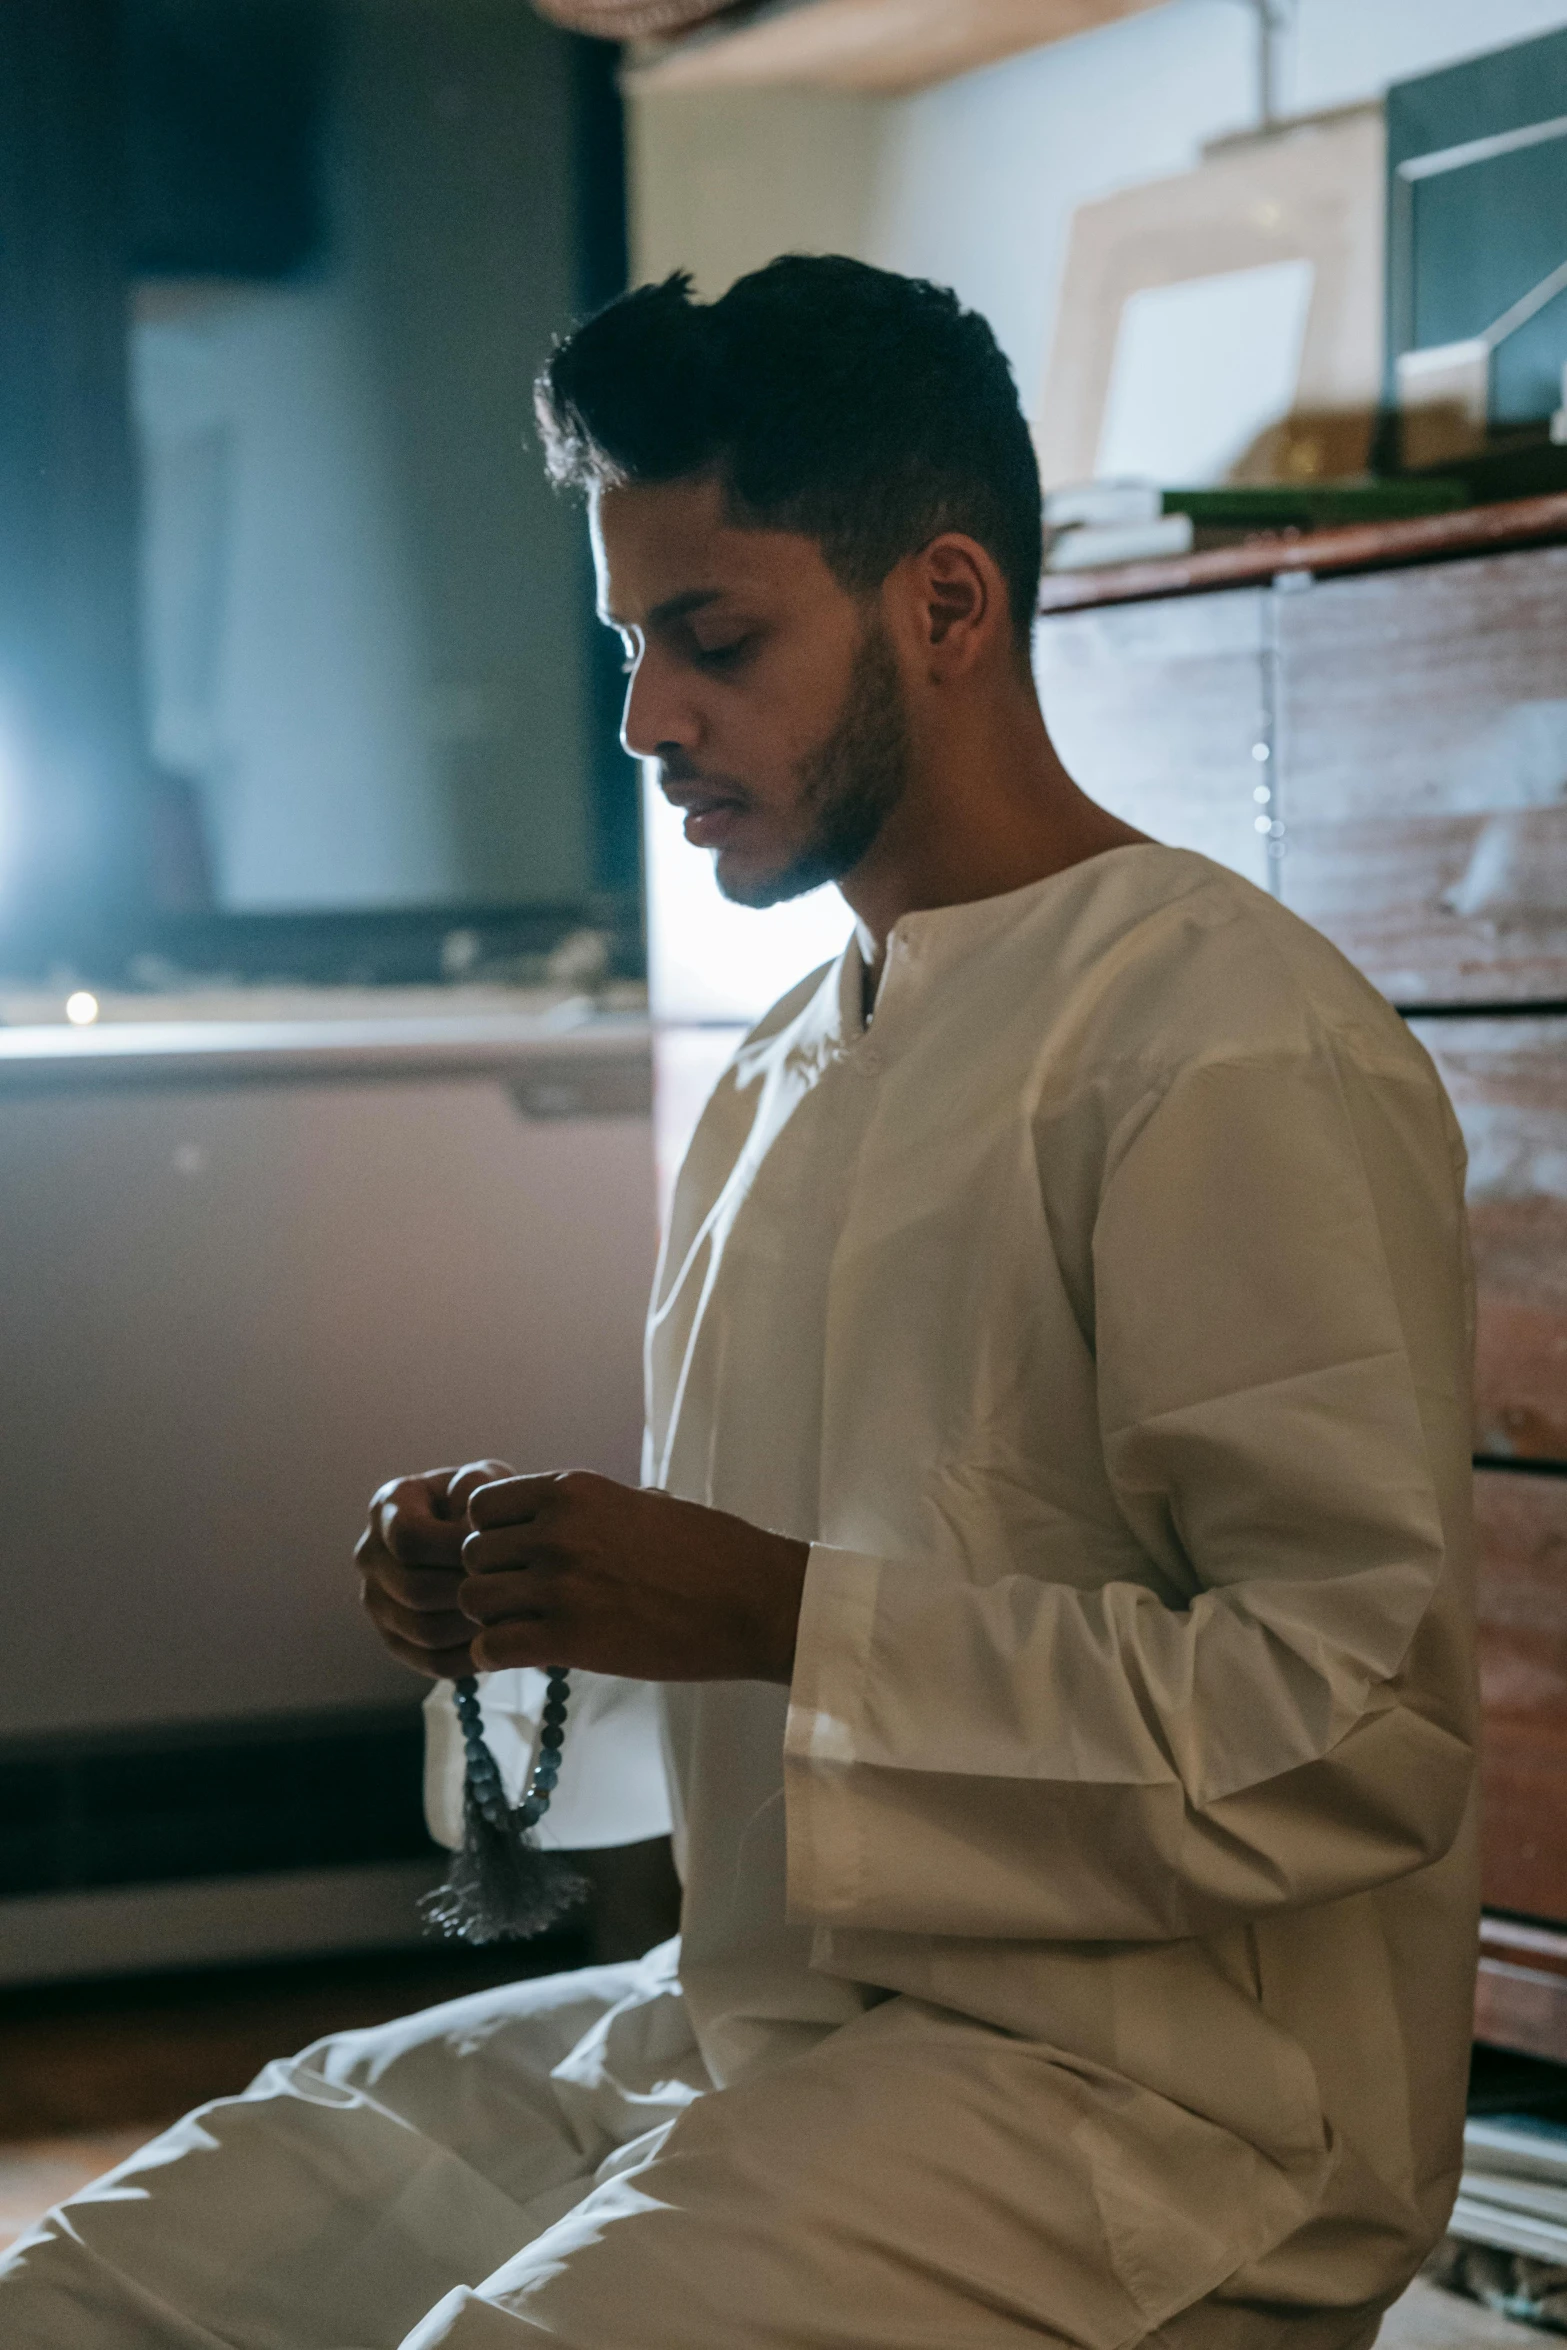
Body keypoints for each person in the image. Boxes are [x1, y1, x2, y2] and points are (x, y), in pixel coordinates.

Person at [1, 257, 1477, 2350]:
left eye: (713, 639)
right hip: (764, 2018)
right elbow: (767, 1710)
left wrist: (764, 1608)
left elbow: (1353, 1734)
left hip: (1159, 2100)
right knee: (87, 2284)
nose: (644, 718)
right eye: (628, 641)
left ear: (945, 607)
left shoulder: (1227, 1040)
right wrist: (535, 1609)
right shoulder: (789, 1064)